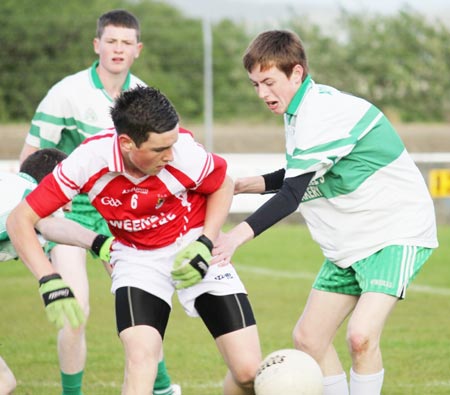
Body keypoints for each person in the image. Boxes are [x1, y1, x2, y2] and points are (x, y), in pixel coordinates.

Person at [211, 30, 438, 395]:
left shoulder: (322, 112)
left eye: (269, 82)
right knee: (308, 338)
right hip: (350, 241)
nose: (263, 94)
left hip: (394, 232)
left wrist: (234, 237)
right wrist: (244, 184)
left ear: (296, 73)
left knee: (361, 337)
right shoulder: (299, 112)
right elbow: (304, 173)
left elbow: (291, 196)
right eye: (255, 85)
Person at [8, 85, 262, 395]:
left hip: (193, 244)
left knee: (249, 371)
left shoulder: (184, 152)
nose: (170, 155)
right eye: (159, 149)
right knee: (141, 360)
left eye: (172, 144)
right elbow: (20, 219)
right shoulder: (88, 160)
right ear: (127, 143)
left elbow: (222, 184)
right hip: (136, 258)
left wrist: (206, 242)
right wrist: (48, 279)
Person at [18, 9, 179, 395]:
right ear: (97, 44)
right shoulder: (66, 92)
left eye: (126, 42)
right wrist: (38, 210)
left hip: (122, 215)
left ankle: (162, 388)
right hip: (71, 215)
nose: (118, 49)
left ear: (137, 49)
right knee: (76, 311)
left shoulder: (142, 97)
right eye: (111, 41)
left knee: (146, 303)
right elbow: (31, 158)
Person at [1, 148, 113, 395]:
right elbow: (48, 224)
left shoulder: (15, 192)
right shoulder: (25, 198)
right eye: (69, 188)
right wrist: (50, 279)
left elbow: (52, 226)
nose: (71, 203)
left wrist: (99, 242)